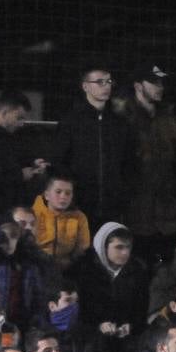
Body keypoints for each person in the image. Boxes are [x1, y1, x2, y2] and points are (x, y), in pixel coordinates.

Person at [50, 64, 136, 232]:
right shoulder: (71, 122)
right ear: (85, 86)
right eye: (100, 82)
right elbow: (59, 161)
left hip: (113, 205)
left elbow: (130, 162)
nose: (106, 86)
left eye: (109, 81)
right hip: (79, 205)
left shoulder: (120, 124)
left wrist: (124, 192)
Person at [113, 64, 176, 252]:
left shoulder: (167, 119)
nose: (160, 87)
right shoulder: (123, 120)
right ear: (138, 86)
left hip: (165, 211)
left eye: (161, 82)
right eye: (154, 82)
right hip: (136, 211)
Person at [75, 221, 149, 352]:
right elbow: (80, 311)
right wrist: (99, 325)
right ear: (104, 247)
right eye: (119, 247)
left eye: (128, 247)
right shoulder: (84, 270)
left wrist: (131, 326)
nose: (125, 252)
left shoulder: (138, 271)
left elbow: (142, 308)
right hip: (90, 342)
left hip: (127, 342)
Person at [31, 173, 90, 272]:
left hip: (67, 269)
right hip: (36, 267)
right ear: (46, 195)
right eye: (58, 192)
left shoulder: (79, 217)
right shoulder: (33, 214)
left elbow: (83, 247)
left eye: (68, 193)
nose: (63, 197)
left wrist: (70, 261)